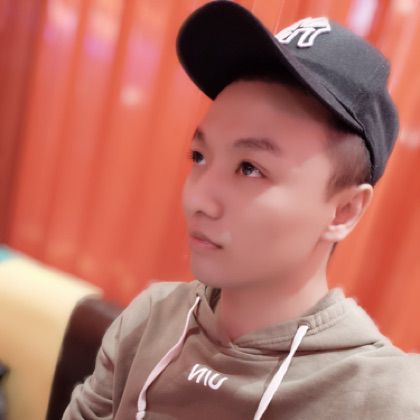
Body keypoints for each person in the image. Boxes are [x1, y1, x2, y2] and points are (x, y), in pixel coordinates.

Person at [63, 2, 420, 419]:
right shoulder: (151, 318)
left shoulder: (386, 399)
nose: (198, 198)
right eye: (199, 156)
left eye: (250, 168)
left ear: (343, 211)